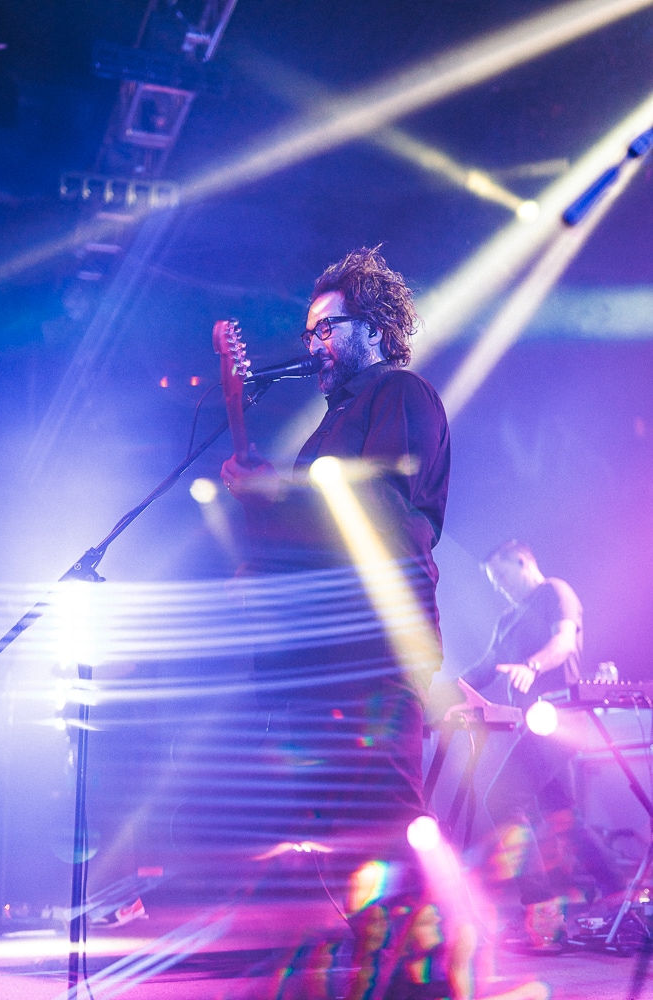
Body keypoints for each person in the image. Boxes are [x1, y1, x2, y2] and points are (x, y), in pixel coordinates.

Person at [220, 247, 459, 997]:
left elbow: (374, 515)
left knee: (385, 816)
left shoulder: (401, 392)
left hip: (375, 647)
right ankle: (378, 971)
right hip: (328, 654)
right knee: (340, 833)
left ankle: (425, 979)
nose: (314, 343)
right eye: (311, 331)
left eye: (328, 328)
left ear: (378, 328)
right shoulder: (333, 422)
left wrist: (273, 497)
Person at [461, 540, 621, 950]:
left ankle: (542, 910)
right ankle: (619, 893)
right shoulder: (507, 620)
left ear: (522, 561)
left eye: (501, 576)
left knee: (500, 800)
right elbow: (483, 670)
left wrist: (532, 666)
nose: (499, 586)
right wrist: (438, 686)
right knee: (564, 816)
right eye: (493, 581)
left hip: (559, 718)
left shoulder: (554, 591)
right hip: (534, 727)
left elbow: (565, 642)